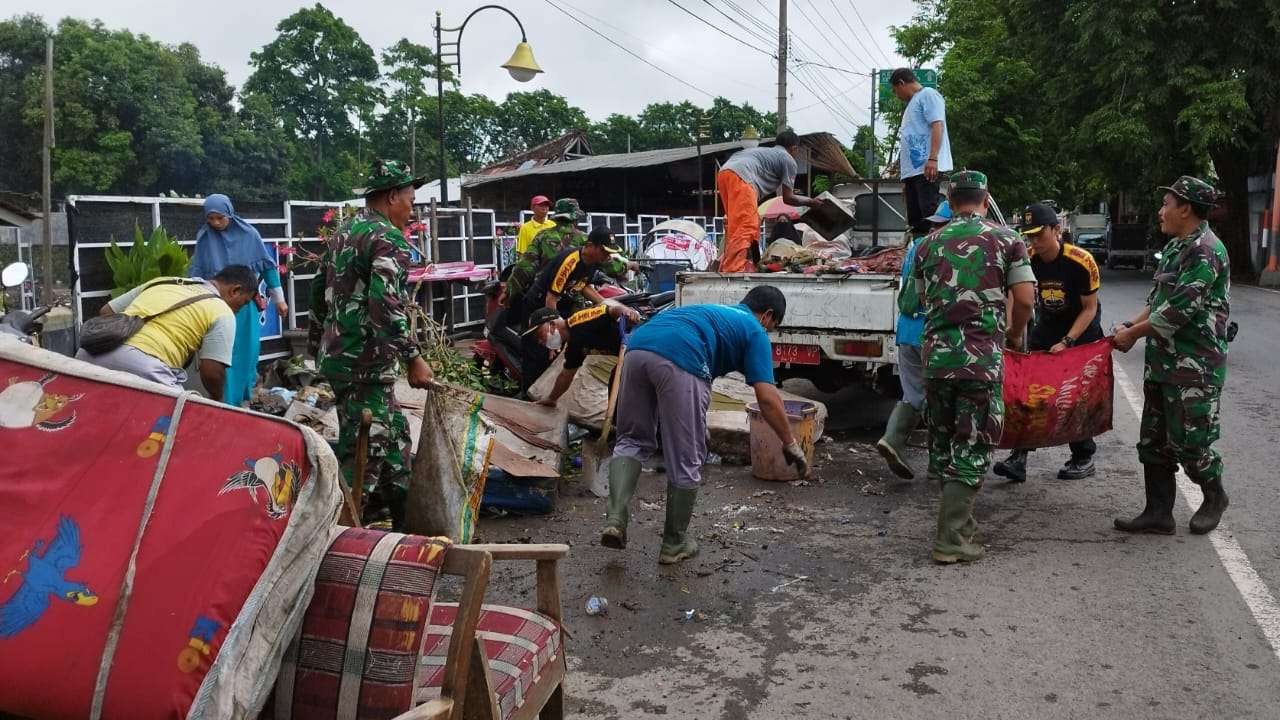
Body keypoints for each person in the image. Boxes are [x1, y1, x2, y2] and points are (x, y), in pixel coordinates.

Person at [599, 286, 810, 564]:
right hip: (680, 357)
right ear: (768, 316)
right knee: (687, 456)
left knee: (632, 441)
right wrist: (790, 443)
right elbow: (767, 398)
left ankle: (615, 520)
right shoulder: (755, 330)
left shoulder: (714, 312)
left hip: (637, 349)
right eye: (773, 326)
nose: (768, 332)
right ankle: (674, 543)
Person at [913, 170, 1035, 564]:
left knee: (946, 441)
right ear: (986, 199)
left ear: (949, 201)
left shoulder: (927, 245)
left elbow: (913, 302)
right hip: (980, 361)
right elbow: (1027, 299)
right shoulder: (1008, 240)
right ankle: (950, 540)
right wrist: (1014, 335)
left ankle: (961, 527)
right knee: (974, 443)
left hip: (936, 361)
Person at [309, 159, 435, 529]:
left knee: (395, 440)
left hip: (340, 357)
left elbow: (318, 291)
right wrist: (413, 357)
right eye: (410, 200)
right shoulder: (388, 239)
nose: (412, 210)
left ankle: (407, 531)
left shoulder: (347, 230)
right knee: (364, 451)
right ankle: (336, 537)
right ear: (392, 196)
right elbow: (386, 304)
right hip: (364, 362)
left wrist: (325, 339)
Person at [1113, 176, 1230, 536]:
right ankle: (1158, 513)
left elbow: (1176, 312)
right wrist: (1129, 324)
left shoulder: (1206, 250)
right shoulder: (1179, 246)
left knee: (1192, 444)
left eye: (1166, 204)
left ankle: (1214, 496)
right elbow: (1157, 302)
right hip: (1164, 363)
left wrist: (1131, 335)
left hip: (1194, 368)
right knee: (1153, 441)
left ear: (1186, 209)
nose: (1160, 211)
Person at [993, 202, 1105, 483]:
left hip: (1082, 330)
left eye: (1039, 235)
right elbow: (1014, 295)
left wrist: (1068, 342)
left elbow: (1089, 309)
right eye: (1029, 236)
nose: (1034, 242)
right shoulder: (1028, 259)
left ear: (1057, 230)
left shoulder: (1081, 261)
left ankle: (1083, 456)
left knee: (1075, 395)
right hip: (1048, 326)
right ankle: (1019, 457)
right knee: (1031, 391)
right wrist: (1011, 332)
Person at [78, 265, 258, 399]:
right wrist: (218, 401)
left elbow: (106, 312)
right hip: (146, 368)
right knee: (180, 427)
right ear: (235, 290)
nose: (238, 310)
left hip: (89, 355)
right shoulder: (222, 311)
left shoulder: (162, 282)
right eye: (242, 304)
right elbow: (211, 372)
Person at [188, 194, 288, 406]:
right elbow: (196, 274)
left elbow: (267, 267)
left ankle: (243, 398)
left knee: (247, 353)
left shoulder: (249, 235)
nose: (215, 223)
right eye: (210, 219)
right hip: (217, 306)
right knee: (223, 355)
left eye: (220, 218)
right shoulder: (204, 238)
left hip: (244, 307)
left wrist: (279, 299)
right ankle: (227, 402)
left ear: (229, 214)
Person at [876, 200, 952, 479]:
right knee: (941, 398)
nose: (934, 228)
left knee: (914, 393)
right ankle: (938, 463)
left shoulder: (916, 247)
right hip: (932, 331)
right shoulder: (948, 248)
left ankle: (893, 439)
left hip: (907, 330)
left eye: (937, 223)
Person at [517, 226, 624, 392]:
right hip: (539, 308)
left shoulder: (594, 263)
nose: (607, 256)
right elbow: (550, 298)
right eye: (604, 251)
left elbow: (584, 286)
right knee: (539, 353)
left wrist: (607, 304)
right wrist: (553, 336)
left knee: (560, 354)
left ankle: (549, 394)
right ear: (590, 245)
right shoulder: (570, 261)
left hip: (558, 305)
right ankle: (529, 395)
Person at [717, 129, 819, 273]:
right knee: (746, 226)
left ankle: (728, 265)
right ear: (794, 148)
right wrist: (811, 202)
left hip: (724, 174)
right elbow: (788, 198)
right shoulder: (787, 159)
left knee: (736, 225)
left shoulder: (763, 152)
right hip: (743, 178)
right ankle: (733, 269)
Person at [525, 301, 641, 407]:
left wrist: (627, 312)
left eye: (539, 335)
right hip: (627, 359)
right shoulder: (574, 346)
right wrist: (552, 399)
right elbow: (566, 375)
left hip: (639, 346)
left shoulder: (579, 319)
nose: (540, 341)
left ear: (552, 324)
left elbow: (611, 310)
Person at [890, 68, 954, 235]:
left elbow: (937, 125)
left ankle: (933, 254)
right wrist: (906, 176)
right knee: (915, 219)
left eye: (896, 90)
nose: (897, 95)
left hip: (926, 167)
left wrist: (933, 158)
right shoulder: (912, 104)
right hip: (914, 171)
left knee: (929, 215)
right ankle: (918, 253)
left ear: (902, 83)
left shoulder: (928, 95)